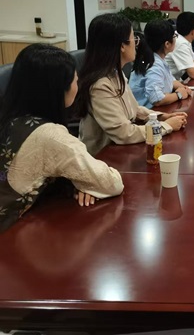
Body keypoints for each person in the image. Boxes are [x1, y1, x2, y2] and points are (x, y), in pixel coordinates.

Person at [0, 44, 124, 232]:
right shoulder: (51, 136)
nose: (78, 84)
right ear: (59, 89)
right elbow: (112, 183)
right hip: (11, 235)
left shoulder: (9, 117)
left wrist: (79, 181)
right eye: (75, 79)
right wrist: (86, 182)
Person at [74, 13, 187, 155]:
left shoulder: (115, 72)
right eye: (134, 38)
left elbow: (134, 108)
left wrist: (160, 116)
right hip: (103, 157)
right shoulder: (100, 85)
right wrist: (165, 126)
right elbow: (123, 133)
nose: (137, 43)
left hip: (120, 151)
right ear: (122, 46)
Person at [129, 20, 192, 108]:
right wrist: (179, 95)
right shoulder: (154, 66)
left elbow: (170, 81)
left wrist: (183, 88)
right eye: (174, 36)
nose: (176, 39)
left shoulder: (155, 58)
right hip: (148, 112)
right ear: (167, 44)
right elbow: (157, 99)